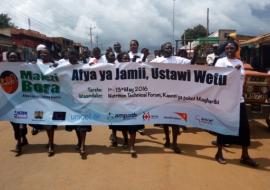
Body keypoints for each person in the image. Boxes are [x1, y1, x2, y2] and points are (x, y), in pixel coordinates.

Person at [214, 41, 258, 167]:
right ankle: (219, 153)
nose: (228, 49)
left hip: (239, 100)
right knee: (223, 127)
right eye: (227, 48)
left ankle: (245, 156)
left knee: (244, 129)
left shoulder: (240, 62)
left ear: (236, 49)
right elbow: (217, 79)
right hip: (225, 101)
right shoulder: (221, 62)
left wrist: (242, 92)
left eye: (231, 48)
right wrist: (233, 71)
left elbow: (241, 80)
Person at [151, 42, 191, 153]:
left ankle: (174, 142)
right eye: (167, 47)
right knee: (165, 120)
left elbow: (191, 63)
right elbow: (145, 68)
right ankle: (167, 139)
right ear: (162, 49)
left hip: (176, 95)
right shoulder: (157, 61)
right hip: (163, 95)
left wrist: (196, 53)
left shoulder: (178, 59)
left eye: (170, 47)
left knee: (176, 120)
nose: (169, 49)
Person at [64, 48, 92, 159]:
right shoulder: (63, 66)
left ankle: (82, 145)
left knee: (83, 124)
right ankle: (79, 141)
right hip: (69, 100)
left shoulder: (84, 67)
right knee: (75, 124)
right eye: (70, 54)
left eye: (74, 55)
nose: (71, 56)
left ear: (78, 56)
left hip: (82, 100)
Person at [30, 45, 57, 156]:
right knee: (38, 120)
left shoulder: (54, 66)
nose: (43, 55)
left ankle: (51, 143)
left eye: (46, 53)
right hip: (38, 100)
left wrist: (57, 66)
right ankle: (41, 133)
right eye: (42, 54)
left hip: (51, 99)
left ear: (50, 55)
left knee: (49, 122)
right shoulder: (35, 65)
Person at [6, 51, 28, 156]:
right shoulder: (3, 69)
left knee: (21, 122)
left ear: (18, 58)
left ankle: (19, 143)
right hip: (10, 102)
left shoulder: (23, 67)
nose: (12, 59)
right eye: (11, 57)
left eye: (14, 57)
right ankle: (23, 138)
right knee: (14, 124)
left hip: (22, 101)